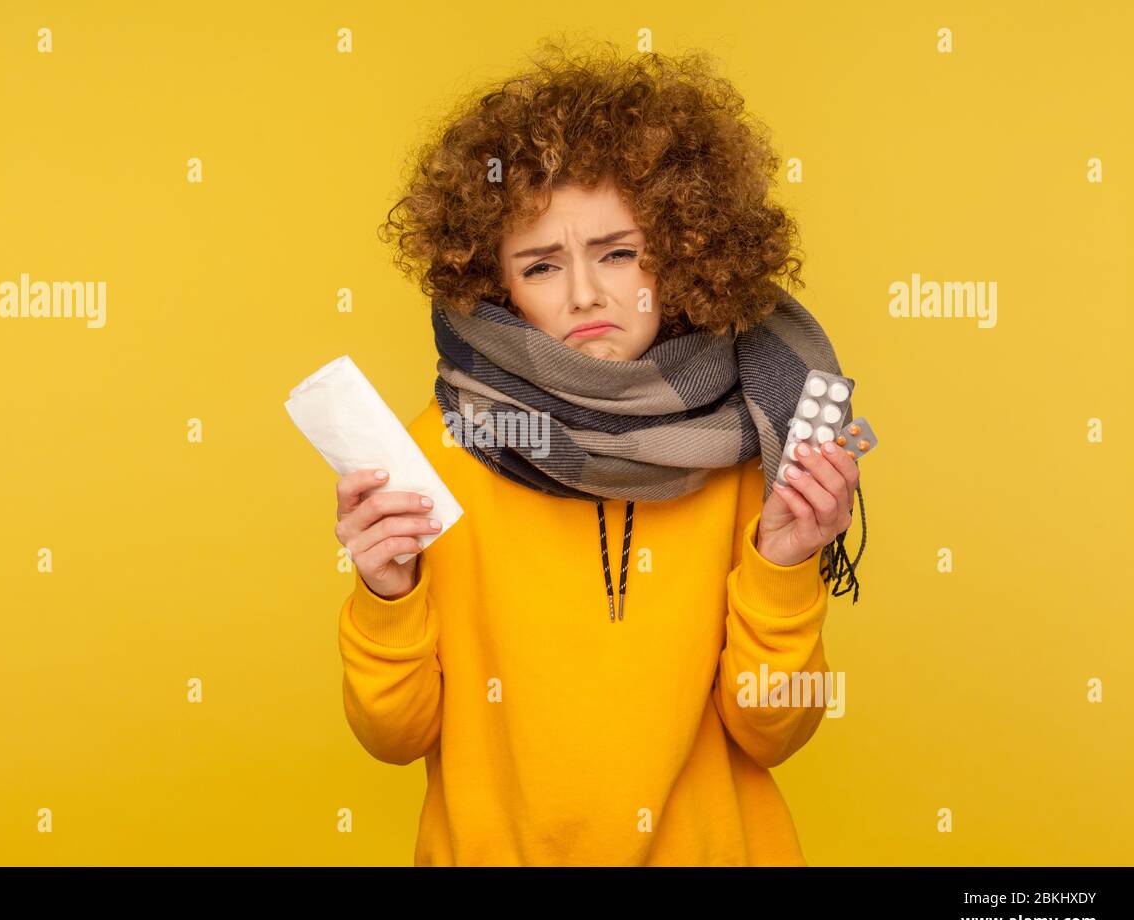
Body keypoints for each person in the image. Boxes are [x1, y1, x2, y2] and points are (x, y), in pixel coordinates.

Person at [332, 40, 861, 865]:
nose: (585, 293)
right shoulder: (439, 449)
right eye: (542, 265)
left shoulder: (752, 437)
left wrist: (784, 561)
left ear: (684, 247)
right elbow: (393, 736)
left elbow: (773, 731)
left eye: (618, 253)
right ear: (494, 285)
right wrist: (384, 590)